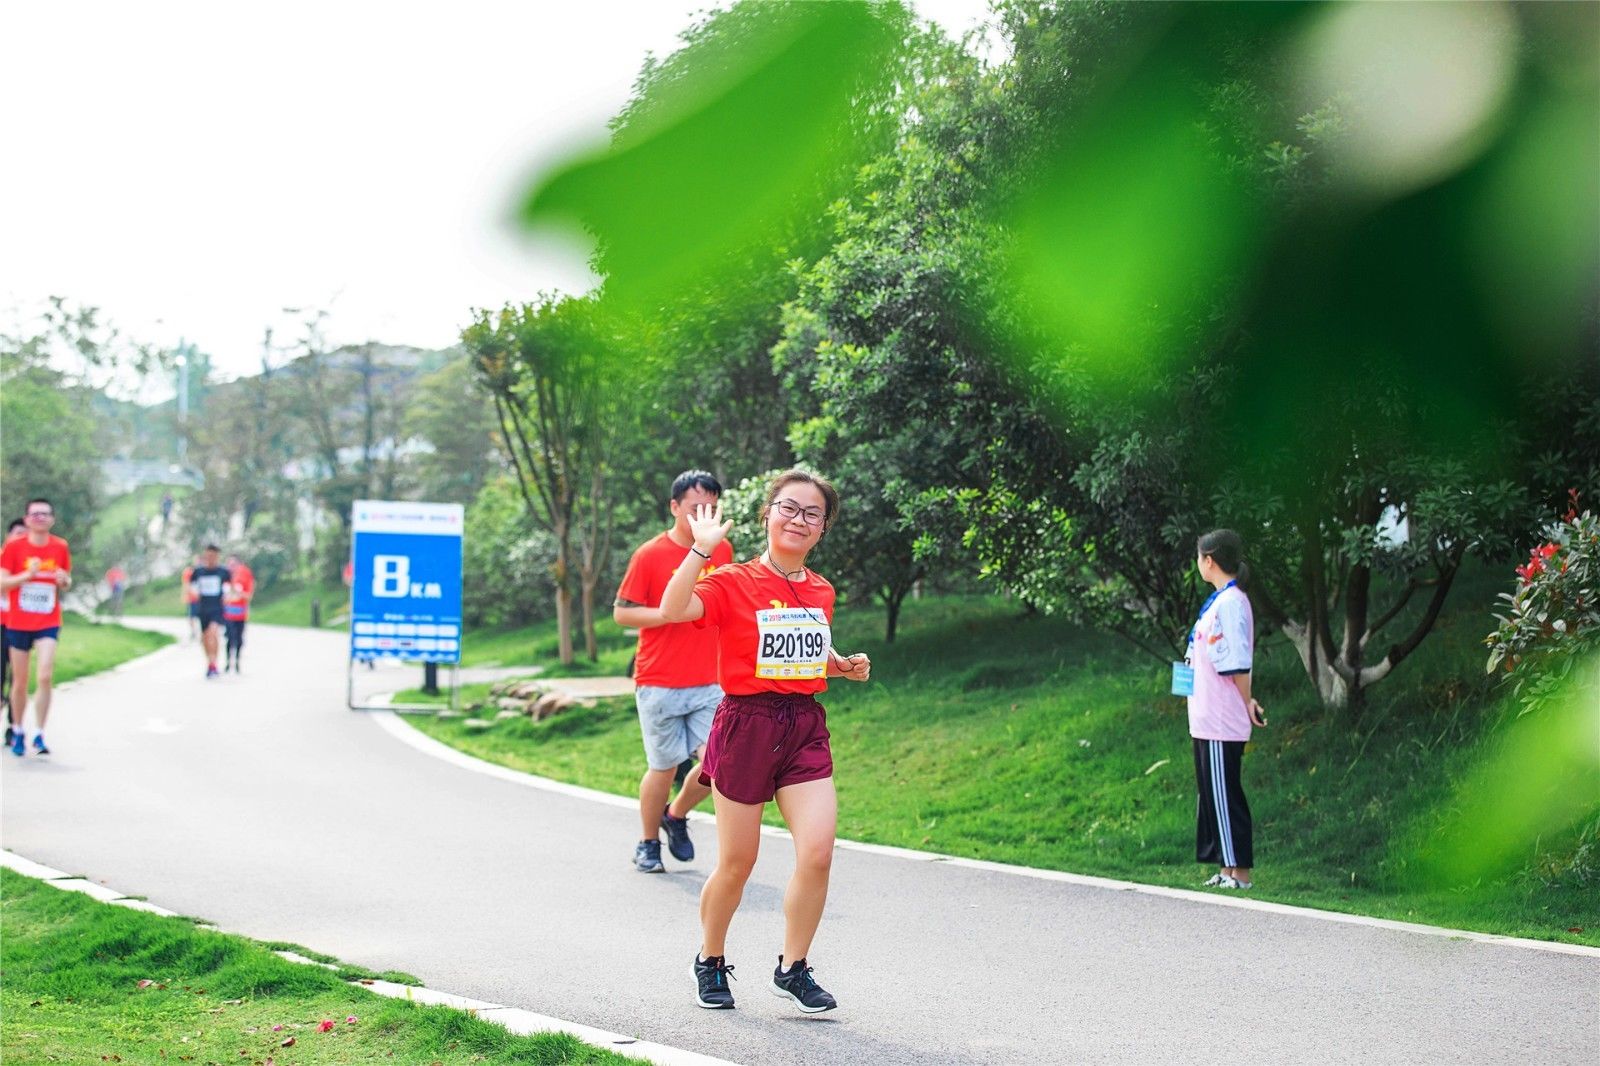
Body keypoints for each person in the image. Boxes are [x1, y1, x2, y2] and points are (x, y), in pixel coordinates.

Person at [659, 469, 872, 1014]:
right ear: (768, 513)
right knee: (738, 862)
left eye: (812, 513)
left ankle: (792, 967)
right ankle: (709, 959)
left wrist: (840, 665)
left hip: (802, 725)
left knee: (819, 851)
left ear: (823, 528)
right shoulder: (732, 580)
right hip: (746, 725)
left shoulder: (820, 589)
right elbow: (673, 609)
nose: (799, 520)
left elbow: (804, 646)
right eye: (789, 507)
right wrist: (700, 553)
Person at [614, 470, 735, 874]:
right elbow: (622, 612)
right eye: (695, 508)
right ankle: (648, 844)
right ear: (674, 508)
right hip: (659, 681)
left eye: (713, 509)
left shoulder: (723, 551)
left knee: (719, 761)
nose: (705, 516)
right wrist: (668, 613)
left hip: (710, 681)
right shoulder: (650, 555)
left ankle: (677, 814)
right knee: (663, 767)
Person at [1183, 528, 1266, 890]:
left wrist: (1247, 701)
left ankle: (1240, 873)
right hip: (1204, 718)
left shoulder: (1231, 604)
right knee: (1212, 795)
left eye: (1199, 558)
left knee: (1225, 793)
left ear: (1209, 560)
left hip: (1220, 718)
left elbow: (1237, 663)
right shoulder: (1220, 602)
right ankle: (1226, 868)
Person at [0, 500, 73, 757]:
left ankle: (40, 732)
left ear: (52, 519)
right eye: (35, 514)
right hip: (18, 622)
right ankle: (18, 728)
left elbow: (65, 579)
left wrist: (64, 581)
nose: (40, 518)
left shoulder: (60, 547)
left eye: (45, 514)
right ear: (27, 519)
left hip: (48, 621)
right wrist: (26, 576)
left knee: (44, 675)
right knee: (19, 681)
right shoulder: (13, 547)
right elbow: (2, 583)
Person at [184, 545, 232, 678]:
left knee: (213, 634)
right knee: (205, 637)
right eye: (208, 556)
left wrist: (227, 596)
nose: (210, 559)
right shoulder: (198, 572)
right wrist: (194, 593)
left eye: (213, 556)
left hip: (217, 609)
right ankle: (209, 662)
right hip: (203, 608)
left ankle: (214, 663)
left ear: (217, 556)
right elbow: (192, 587)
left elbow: (228, 588)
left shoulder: (223, 572)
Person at [1, 518, 28, 746]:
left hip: (19, 626)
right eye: (18, 533)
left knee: (17, 679)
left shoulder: (30, 564)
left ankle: (13, 726)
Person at [221, 555, 254, 673]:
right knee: (230, 638)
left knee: (239, 639)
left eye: (233, 565)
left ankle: (237, 661)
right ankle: (228, 662)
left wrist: (237, 592)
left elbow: (248, 596)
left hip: (240, 614)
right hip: (227, 614)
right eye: (229, 565)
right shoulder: (224, 577)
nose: (231, 567)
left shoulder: (245, 576)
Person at [181, 556, 200, 641]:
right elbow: (186, 585)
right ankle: (194, 632)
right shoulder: (189, 572)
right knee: (191, 617)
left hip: (202, 599)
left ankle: (203, 632)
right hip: (192, 598)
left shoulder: (204, 572)